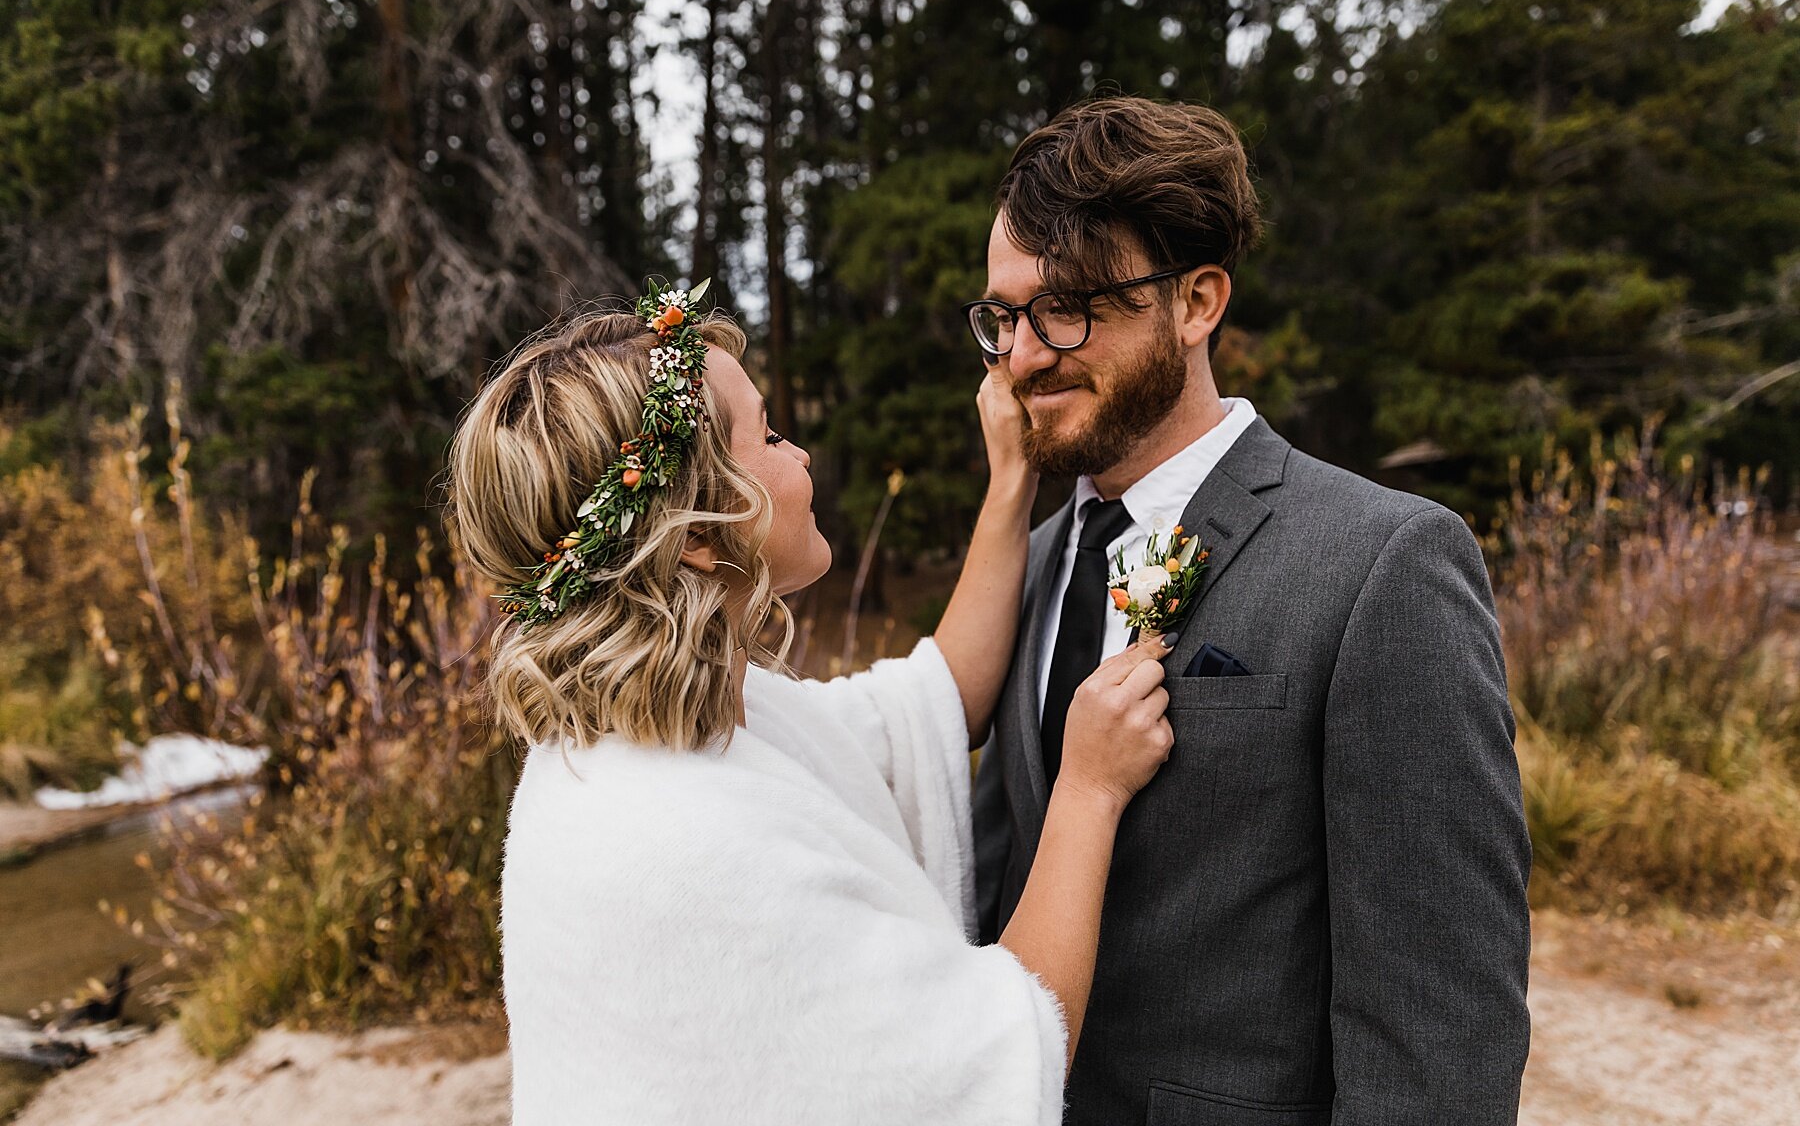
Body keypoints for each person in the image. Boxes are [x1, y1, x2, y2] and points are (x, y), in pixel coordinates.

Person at [445, 288, 1174, 1125]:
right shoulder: (685, 844)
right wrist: (1089, 790)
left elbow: (933, 702)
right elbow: (979, 1066)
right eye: (770, 436)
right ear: (700, 532)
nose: (802, 456)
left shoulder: (683, 726)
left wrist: (1011, 483)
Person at [968, 97, 1533, 1125]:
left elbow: (1438, 1030)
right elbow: (991, 892)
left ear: (1196, 303)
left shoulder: (1384, 564)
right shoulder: (1036, 561)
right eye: (1004, 317)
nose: (1024, 356)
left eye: (1067, 309)